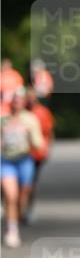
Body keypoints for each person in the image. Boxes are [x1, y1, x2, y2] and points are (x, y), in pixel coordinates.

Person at [1, 88, 44, 246]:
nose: (17, 102)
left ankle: (16, 219)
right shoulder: (3, 119)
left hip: (25, 161)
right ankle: (12, 230)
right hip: (6, 161)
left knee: (21, 198)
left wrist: (28, 134)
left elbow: (38, 144)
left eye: (20, 99)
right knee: (10, 195)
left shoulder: (30, 119)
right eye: (15, 99)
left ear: (25, 102)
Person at [24, 87, 55, 223]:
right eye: (27, 97)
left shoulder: (42, 112)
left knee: (30, 183)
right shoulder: (17, 112)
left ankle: (28, 209)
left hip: (36, 154)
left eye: (32, 97)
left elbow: (49, 132)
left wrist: (47, 149)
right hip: (20, 153)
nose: (30, 99)